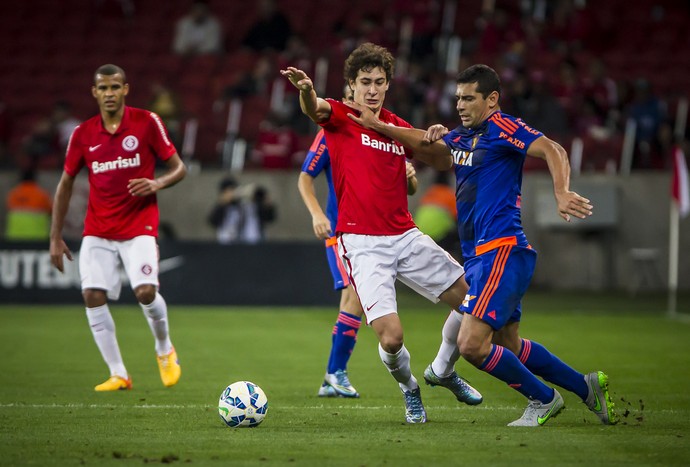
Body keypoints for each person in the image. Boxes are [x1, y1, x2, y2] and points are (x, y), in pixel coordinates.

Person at [348, 63, 619, 427]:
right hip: (480, 257)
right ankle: (585, 387)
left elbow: (552, 149)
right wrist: (383, 128)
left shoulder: (502, 127)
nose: (460, 105)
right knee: (509, 342)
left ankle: (543, 398)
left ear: (492, 99)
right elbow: (431, 149)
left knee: (473, 345)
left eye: (469, 98)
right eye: (457, 98)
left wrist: (561, 190)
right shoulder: (462, 138)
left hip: (501, 250)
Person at [281, 42, 482, 424]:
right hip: (363, 245)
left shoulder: (395, 126)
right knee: (391, 338)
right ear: (351, 86)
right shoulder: (339, 116)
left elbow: (443, 159)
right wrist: (306, 91)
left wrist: (422, 139)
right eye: (364, 82)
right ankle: (410, 390)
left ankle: (443, 369)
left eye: (379, 82)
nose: (372, 89)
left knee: (474, 303)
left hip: (406, 236)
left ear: (387, 85)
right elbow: (315, 109)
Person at [49, 64, 187, 392]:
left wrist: (157, 184)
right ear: (94, 92)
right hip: (98, 229)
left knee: (145, 291)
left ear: (125, 89)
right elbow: (65, 183)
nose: (109, 94)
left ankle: (164, 348)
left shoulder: (146, 122)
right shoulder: (83, 134)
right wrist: (55, 236)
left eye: (115, 87)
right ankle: (118, 373)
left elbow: (179, 168)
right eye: (103, 88)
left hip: (139, 225)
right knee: (92, 295)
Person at [298, 120, 419, 398]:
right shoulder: (332, 133)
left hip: (374, 234)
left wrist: (409, 176)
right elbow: (305, 176)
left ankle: (332, 377)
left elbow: (410, 189)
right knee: (356, 297)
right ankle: (335, 372)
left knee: (351, 302)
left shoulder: (384, 134)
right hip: (342, 232)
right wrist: (317, 213)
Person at [208, 176, 276, 244]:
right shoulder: (223, 209)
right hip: (228, 248)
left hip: (254, 246)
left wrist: (261, 197)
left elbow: (270, 217)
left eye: (233, 190)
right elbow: (213, 221)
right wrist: (223, 202)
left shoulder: (251, 206)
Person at [5, 168, 52, 240]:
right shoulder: (42, 195)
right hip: (37, 237)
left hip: (15, 237)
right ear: (35, 179)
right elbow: (51, 211)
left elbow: (8, 209)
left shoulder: (13, 194)